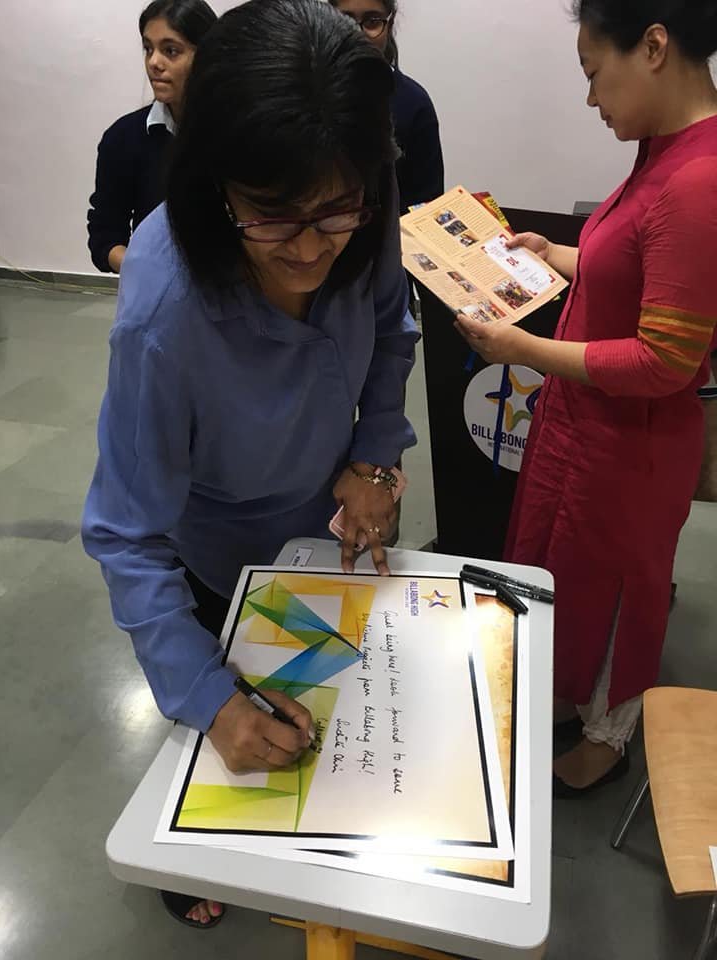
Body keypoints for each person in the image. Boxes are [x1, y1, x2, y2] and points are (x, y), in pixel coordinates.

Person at [82, 0, 418, 927]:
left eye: (335, 212)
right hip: (217, 555)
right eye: (274, 217)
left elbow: (392, 328)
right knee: (233, 741)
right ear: (217, 185)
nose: (310, 248)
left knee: (329, 723)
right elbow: (126, 535)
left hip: (329, 521)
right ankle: (189, 869)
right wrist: (208, 699)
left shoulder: (358, 197)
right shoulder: (165, 315)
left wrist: (375, 457)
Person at [456, 0, 717, 795]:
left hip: (632, 442)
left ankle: (610, 735)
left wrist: (521, 350)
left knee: (620, 586)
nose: (591, 97)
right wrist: (556, 254)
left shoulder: (698, 180)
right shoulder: (663, 155)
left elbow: (664, 359)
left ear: (654, 47)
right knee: (567, 566)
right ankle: (572, 696)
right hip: (590, 425)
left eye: (594, 72)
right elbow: (630, 267)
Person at [86, 0, 217, 273]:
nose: (154, 62)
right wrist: (147, 271)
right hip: (156, 291)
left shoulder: (240, 133)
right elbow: (105, 237)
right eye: (148, 49)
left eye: (171, 51)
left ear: (207, 55)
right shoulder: (123, 138)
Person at [329, 0, 444, 214]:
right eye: (344, 20)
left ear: (388, 25)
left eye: (372, 21)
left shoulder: (414, 103)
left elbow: (428, 203)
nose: (357, 34)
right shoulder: (301, 92)